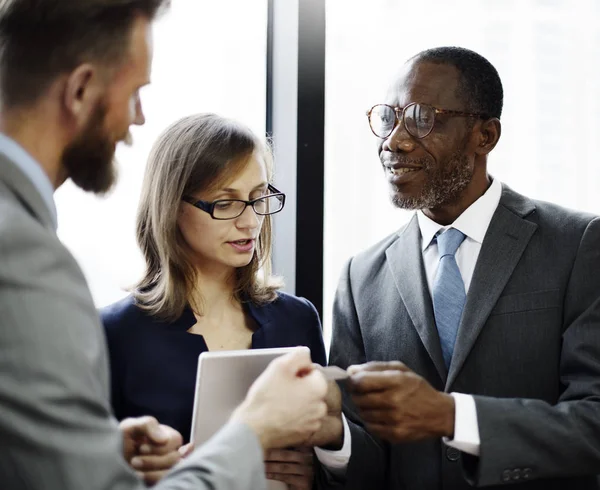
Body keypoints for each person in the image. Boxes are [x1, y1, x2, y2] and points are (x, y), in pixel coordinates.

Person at [0, 1, 329, 489]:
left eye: (259, 200)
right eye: (135, 92)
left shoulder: (297, 317)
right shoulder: (40, 269)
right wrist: (249, 436)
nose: (138, 118)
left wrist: (110, 453)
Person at [314, 46, 600, 489]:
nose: (395, 140)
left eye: (422, 118)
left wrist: (451, 417)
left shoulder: (578, 244)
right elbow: (365, 455)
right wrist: (333, 439)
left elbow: (594, 421)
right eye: (389, 118)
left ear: (484, 136)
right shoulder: (359, 277)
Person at [101, 112, 327, 488]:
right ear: (172, 206)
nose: (250, 222)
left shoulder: (297, 319)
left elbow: (328, 446)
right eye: (225, 203)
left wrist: (314, 474)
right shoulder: (113, 334)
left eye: (258, 198)